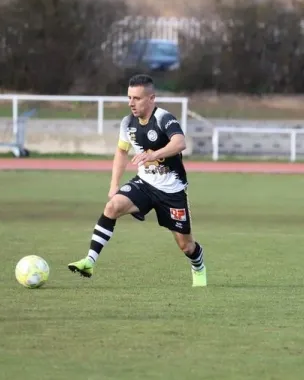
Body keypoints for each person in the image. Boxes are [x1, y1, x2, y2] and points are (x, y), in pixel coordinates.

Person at [67, 74, 207, 287]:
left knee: (186, 246)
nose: (131, 103)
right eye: (129, 97)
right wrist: (114, 185)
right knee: (112, 206)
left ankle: (198, 265)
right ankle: (89, 261)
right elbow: (121, 152)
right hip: (145, 184)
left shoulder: (164, 118)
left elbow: (180, 143)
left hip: (172, 191)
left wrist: (153, 154)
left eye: (137, 98)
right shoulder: (128, 123)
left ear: (151, 98)